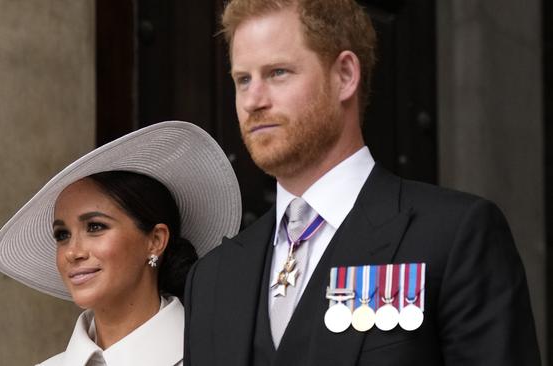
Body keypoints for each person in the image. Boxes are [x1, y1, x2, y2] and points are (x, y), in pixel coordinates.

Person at [183, 1, 541, 365]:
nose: (253, 101)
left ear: (345, 76)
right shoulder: (212, 280)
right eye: (243, 79)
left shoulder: (454, 237)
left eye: (278, 72)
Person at [0, 121, 241, 366]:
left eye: (95, 227)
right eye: (62, 235)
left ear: (155, 241)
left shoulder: (219, 357)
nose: (72, 252)